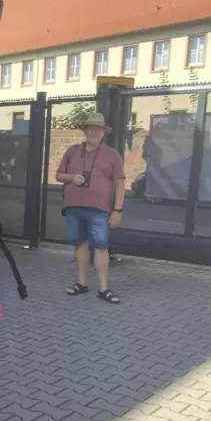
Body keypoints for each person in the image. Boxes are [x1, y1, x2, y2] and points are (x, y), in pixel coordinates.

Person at [56, 112, 125, 304]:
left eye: (97, 129)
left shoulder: (112, 155)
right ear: (85, 131)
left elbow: (120, 183)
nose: (93, 132)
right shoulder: (72, 151)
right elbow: (59, 175)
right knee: (79, 244)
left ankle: (103, 289)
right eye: (90, 128)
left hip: (99, 208)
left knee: (101, 246)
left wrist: (117, 210)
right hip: (74, 206)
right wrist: (72, 178)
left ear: (104, 132)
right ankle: (82, 283)